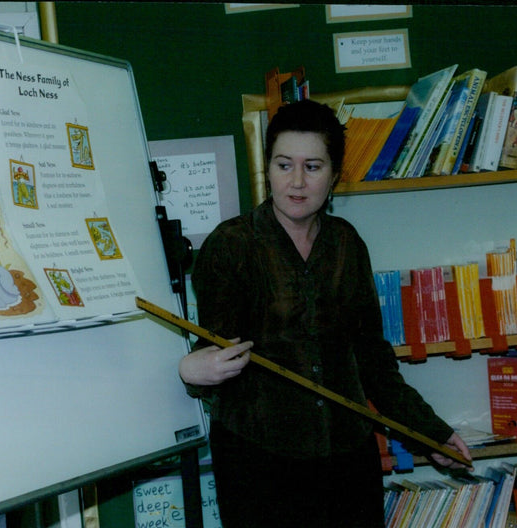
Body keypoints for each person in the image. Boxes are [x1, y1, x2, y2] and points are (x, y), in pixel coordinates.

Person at [179, 100, 471, 527]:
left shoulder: (348, 244)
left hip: (347, 460)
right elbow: (212, 359)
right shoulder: (231, 245)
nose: (297, 181)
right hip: (259, 464)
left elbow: (373, 359)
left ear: (335, 176)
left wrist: (427, 430)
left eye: (313, 166)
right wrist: (191, 370)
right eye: (284, 165)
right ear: (268, 170)